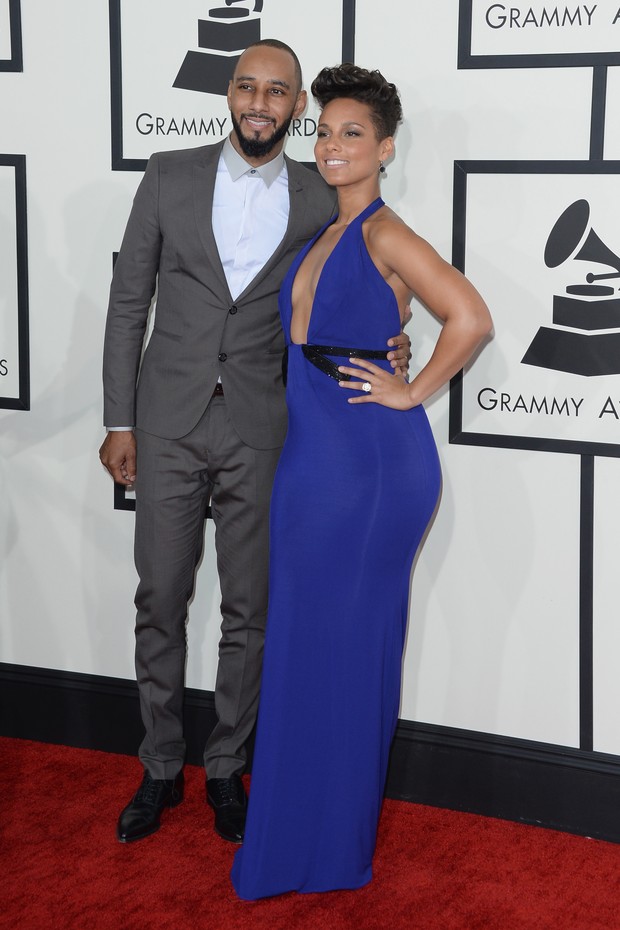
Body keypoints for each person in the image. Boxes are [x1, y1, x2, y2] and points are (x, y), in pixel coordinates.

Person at [99, 40, 411, 846]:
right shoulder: (167, 174)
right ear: (229, 93)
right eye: (247, 86)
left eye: (278, 91)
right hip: (166, 422)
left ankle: (229, 769)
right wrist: (118, 421)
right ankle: (162, 766)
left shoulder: (320, 193)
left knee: (252, 611)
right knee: (160, 600)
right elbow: (128, 303)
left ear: (297, 105)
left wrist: (394, 347)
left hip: (266, 427)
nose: (260, 102)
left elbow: (361, 284)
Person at [231, 63, 492, 899]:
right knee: (310, 650)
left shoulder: (384, 232)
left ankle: (330, 850)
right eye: (326, 130)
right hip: (315, 465)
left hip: (371, 470)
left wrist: (412, 389)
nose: (334, 144)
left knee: (347, 654)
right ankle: (297, 841)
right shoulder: (323, 234)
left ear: (385, 148)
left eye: (353, 133)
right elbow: (345, 332)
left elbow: (472, 316)